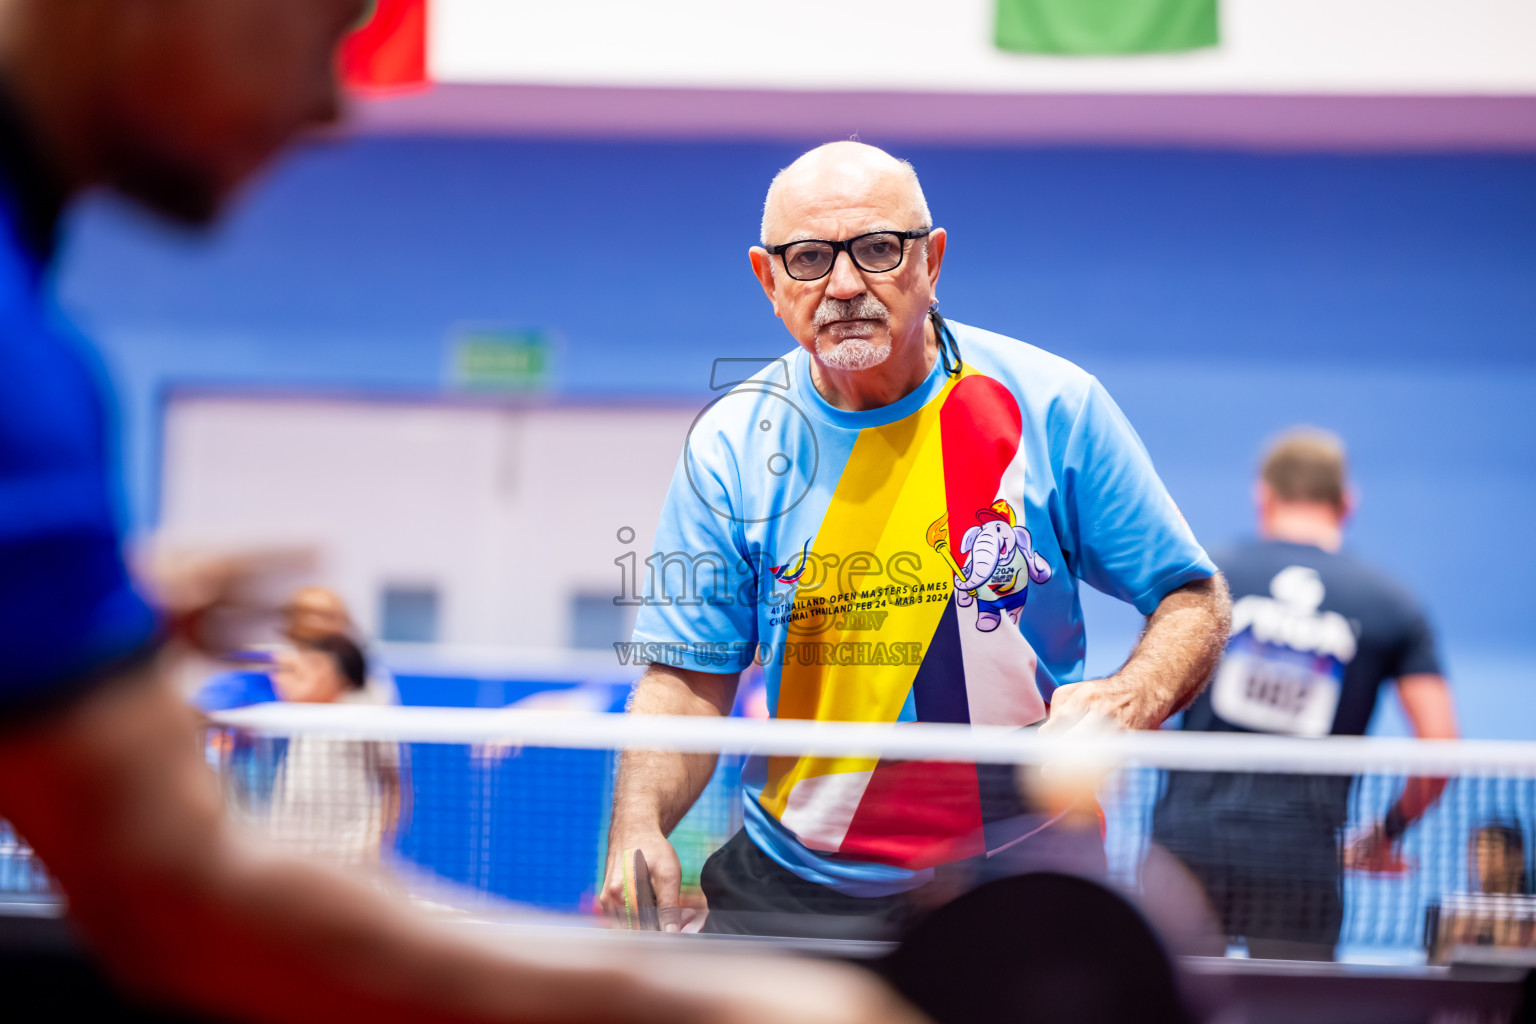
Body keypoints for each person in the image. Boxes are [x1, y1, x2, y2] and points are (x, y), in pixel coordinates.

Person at [0, 3, 916, 1022]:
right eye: (327, 24)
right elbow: (176, 890)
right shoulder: (21, 381)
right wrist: (742, 1007)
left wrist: (89, 612)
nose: (331, 104)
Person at [601, 141, 1231, 936]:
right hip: (794, 882)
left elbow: (1192, 595)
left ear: (931, 260)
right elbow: (687, 681)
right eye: (807, 259)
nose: (842, 285)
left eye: (875, 249)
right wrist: (638, 825)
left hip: (1018, 869)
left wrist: (1132, 694)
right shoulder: (731, 443)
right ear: (768, 280)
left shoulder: (1052, 405)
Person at [1152, 428, 1458, 961]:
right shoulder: (1391, 603)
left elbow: (1143, 703)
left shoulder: (1204, 577)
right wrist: (1385, 834)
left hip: (1187, 850)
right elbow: (1441, 750)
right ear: (1347, 503)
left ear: (1263, 496)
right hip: (1301, 861)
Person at [194, 585, 400, 711]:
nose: (314, 622)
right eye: (304, 613)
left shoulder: (370, 687)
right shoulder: (258, 672)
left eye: (326, 615)